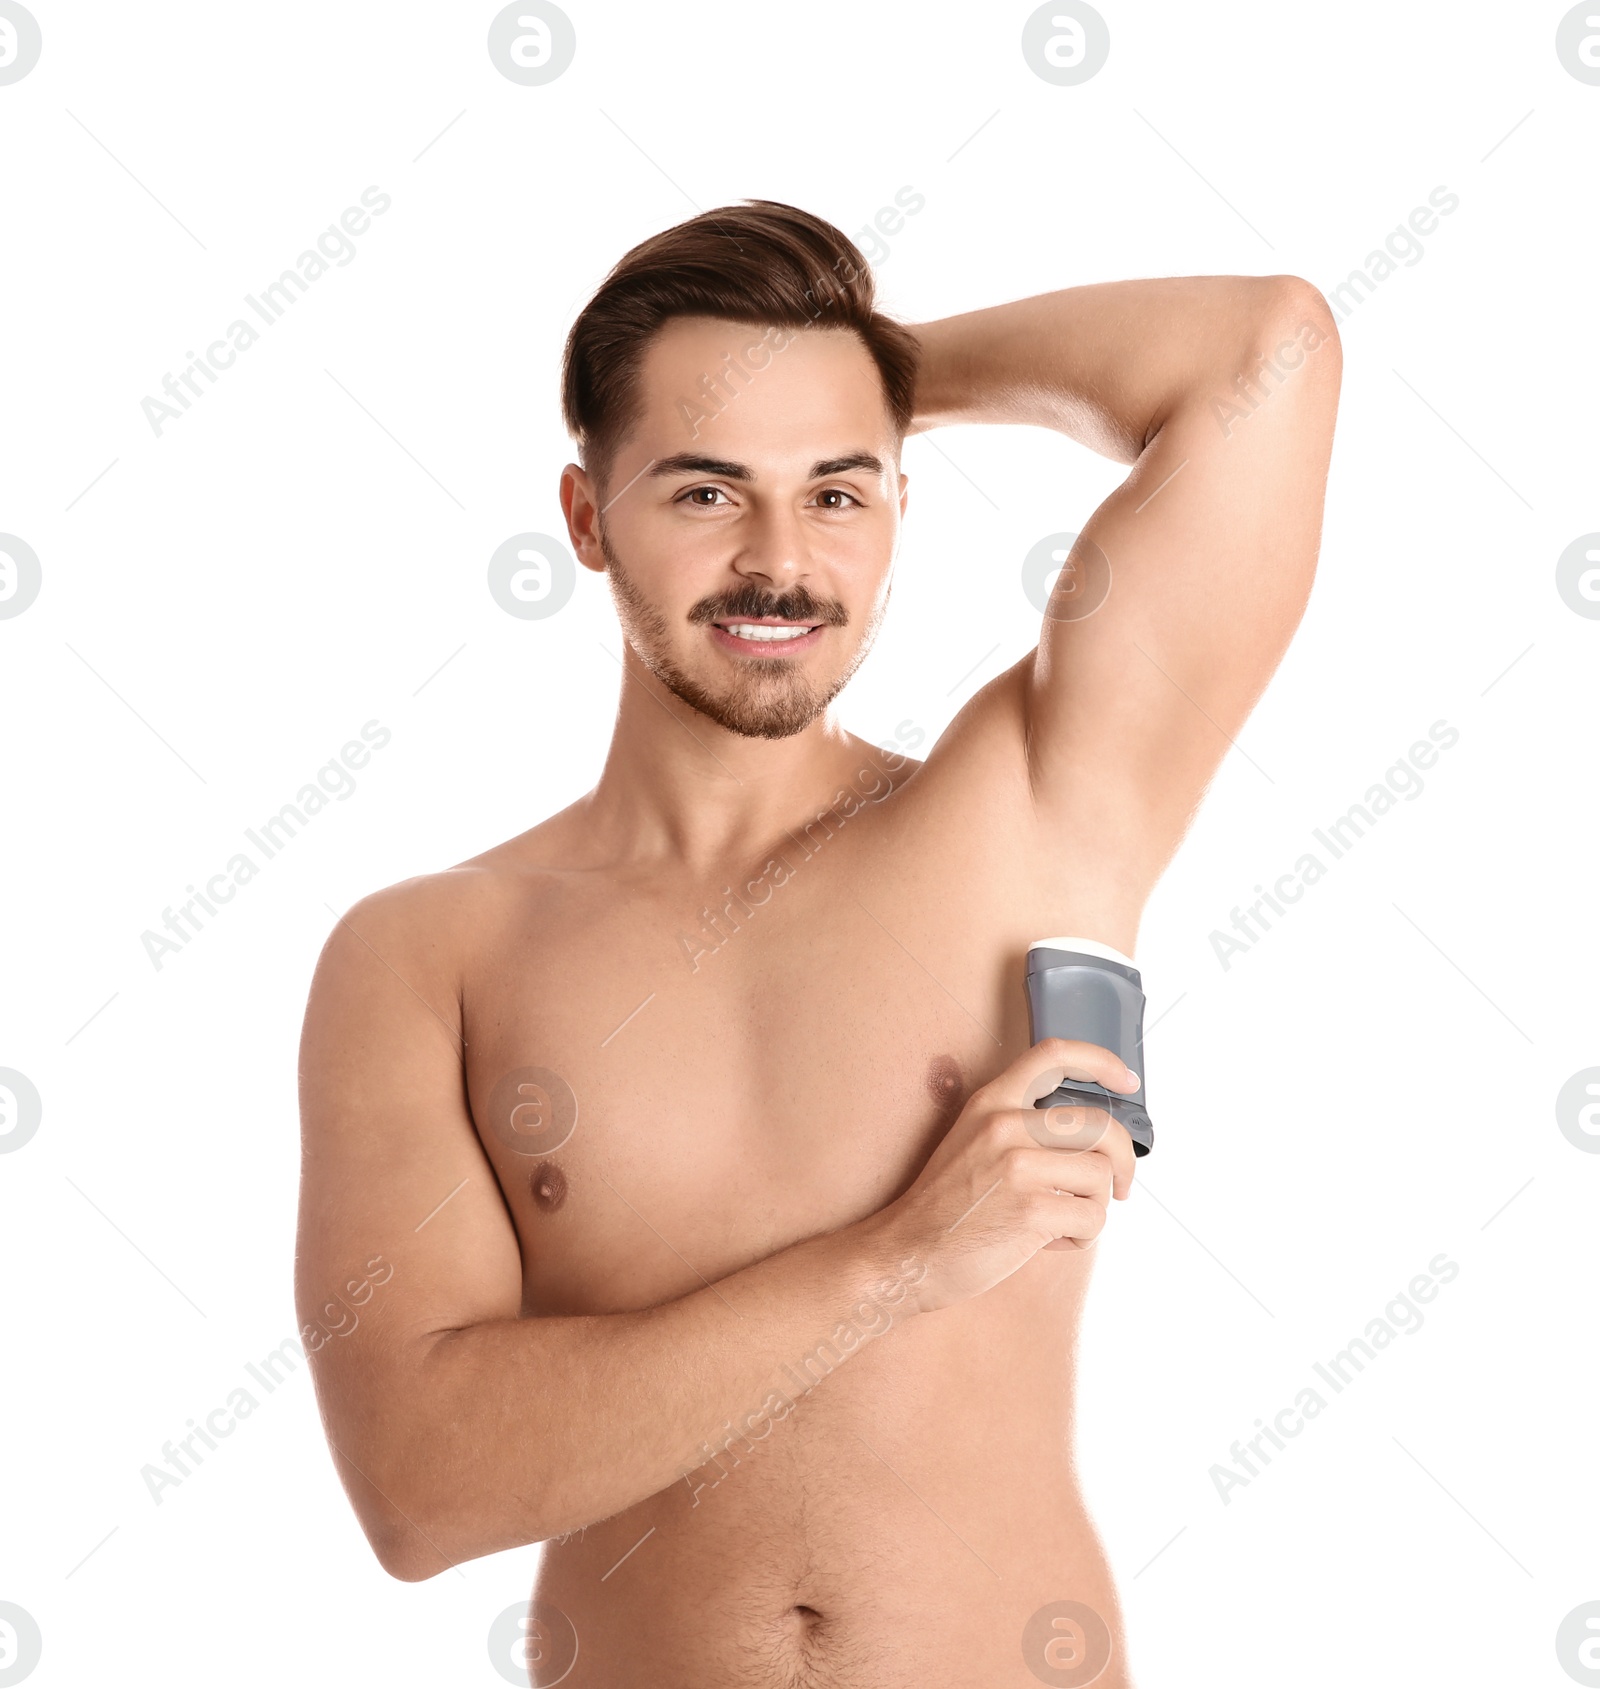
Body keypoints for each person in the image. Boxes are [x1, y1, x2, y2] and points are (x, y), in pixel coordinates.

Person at [295, 198, 1340, 1686]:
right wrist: (895, 1261)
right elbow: (420, 1481)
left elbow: (1272, 350)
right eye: (709, 492)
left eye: (840, 490)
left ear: (902, 507)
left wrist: (877, 364)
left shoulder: (1035, 811)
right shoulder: (428, 954)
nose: (781, 561)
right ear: (589, 518)